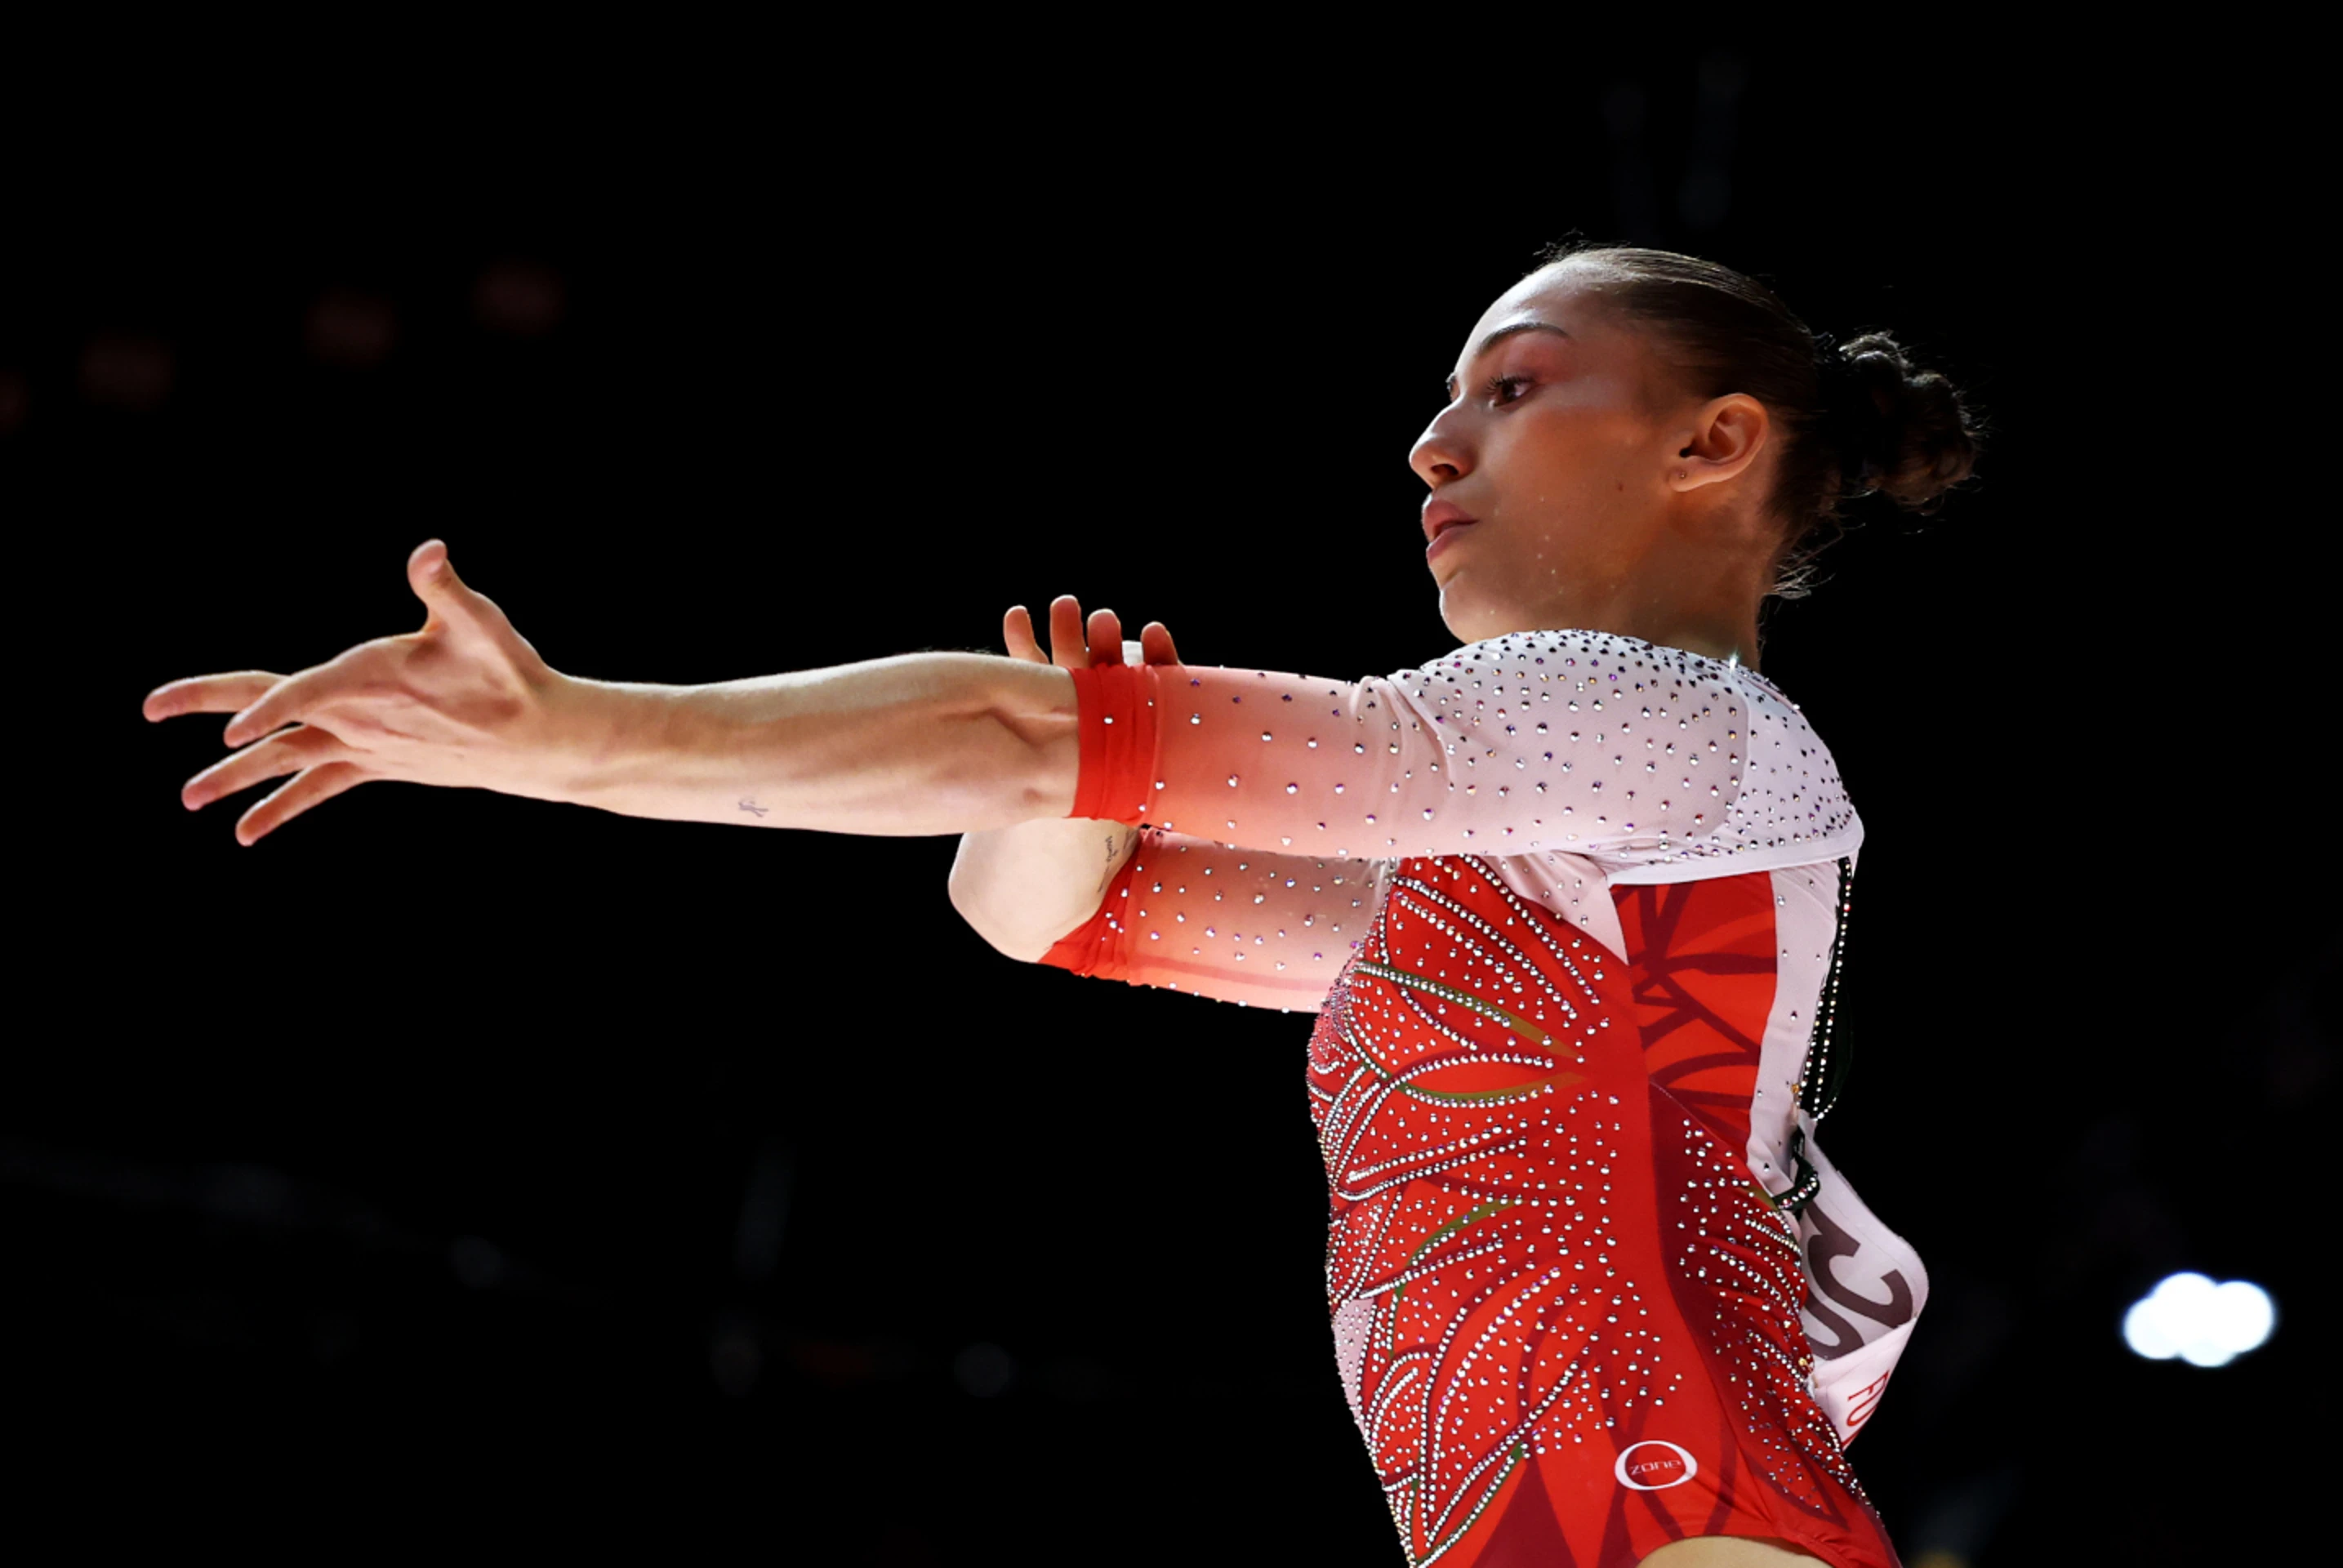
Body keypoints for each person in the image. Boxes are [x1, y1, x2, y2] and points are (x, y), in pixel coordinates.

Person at [146, 244, 1981, 1568]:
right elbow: (1055, 913)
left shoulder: (1664, 718)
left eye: (1511, 390)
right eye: (1445, 403)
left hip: (1660, 1509)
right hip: (1595, 1509)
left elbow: (1007, 731)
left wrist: (557, 735)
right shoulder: (1533, 894)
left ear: (1711, 446)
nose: (1432, 448)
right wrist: (1063, 797)